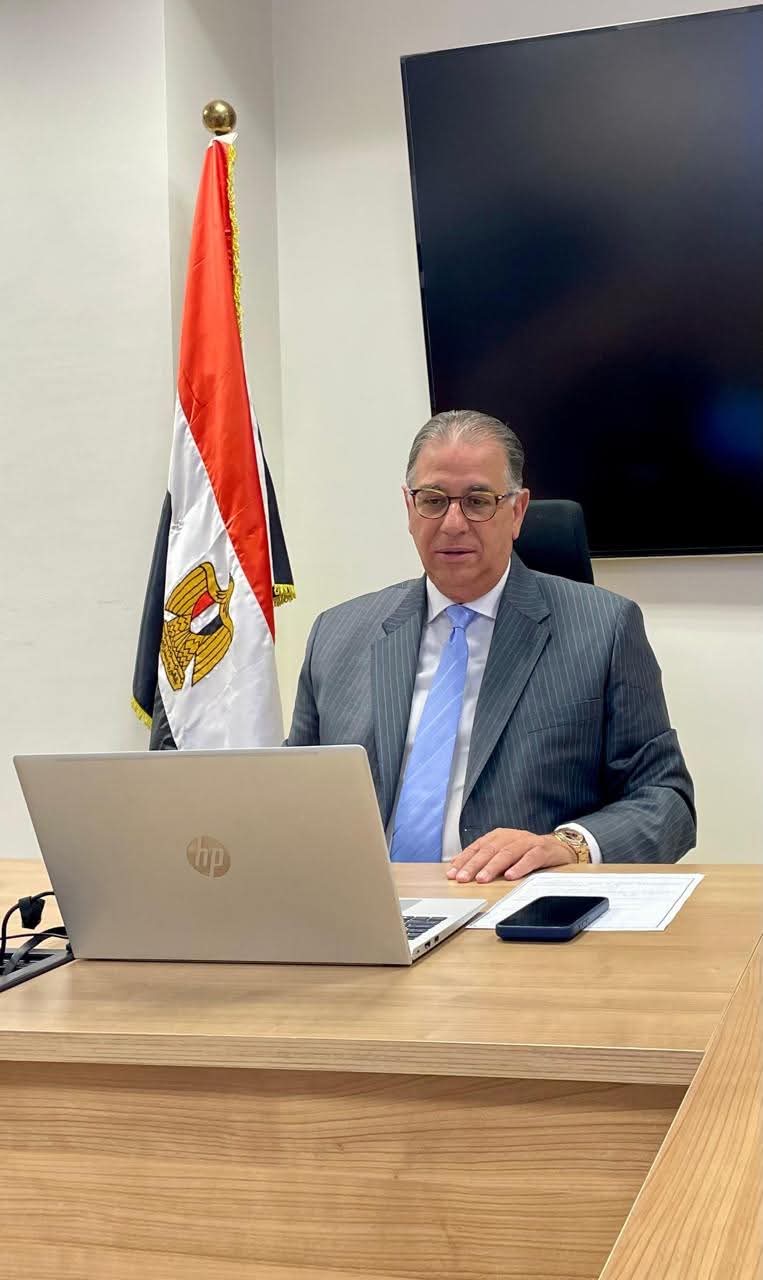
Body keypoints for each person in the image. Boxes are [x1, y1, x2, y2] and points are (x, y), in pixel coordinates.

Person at [289, 409, 696, 882]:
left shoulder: (604, 629)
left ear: (517, 511)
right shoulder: (337, 633)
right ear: (409, 508)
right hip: (365, 903)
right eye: (433, 500)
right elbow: (293, 791)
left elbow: (666, 801)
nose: (453, 523)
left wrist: (565, 845)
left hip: (512, 905)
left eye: (478, 501)